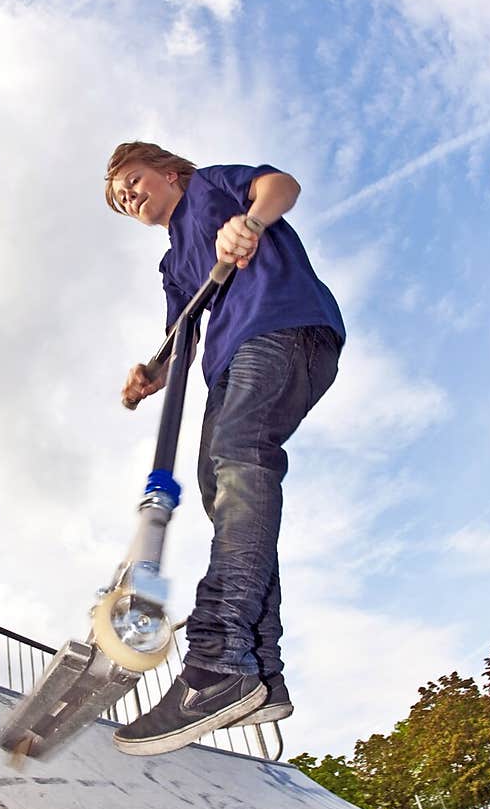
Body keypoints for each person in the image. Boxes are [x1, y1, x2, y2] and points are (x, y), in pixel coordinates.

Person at [104, 142, 345, 755]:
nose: (128, 196)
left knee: (239, 459)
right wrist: (150, 373)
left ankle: (218, 659)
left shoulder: (210, 189)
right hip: (228, 361)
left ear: (168, 172)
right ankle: (261, 672)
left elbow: (281, 182)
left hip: (280, 329)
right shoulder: (171, 266)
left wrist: (251, 221)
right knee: (226, 495)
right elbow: (181, 331)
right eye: (119, 199)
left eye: (132, 181)